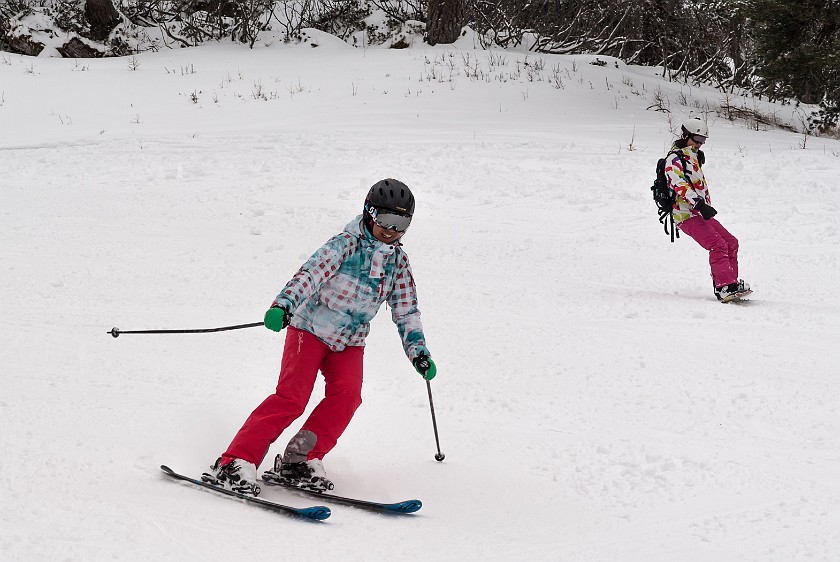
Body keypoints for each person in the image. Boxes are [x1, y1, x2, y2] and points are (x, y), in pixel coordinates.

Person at [201, 179, 436, 496]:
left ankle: (300, 459)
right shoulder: (344, 246)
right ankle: (236, 460)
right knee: (292, 398)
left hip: (350, 340)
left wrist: (418, 352)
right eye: (386, 220)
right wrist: (283, 305)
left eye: (401, 223)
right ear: (368, 213)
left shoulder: (398, 264)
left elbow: (406, 311)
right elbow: (309, 275)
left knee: (348, 397)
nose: (392, 231)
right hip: (309, 329)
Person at [665, 117, 751, 302]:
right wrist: (699, 204)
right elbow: (678, 183)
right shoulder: (674, 158)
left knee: (730, 242)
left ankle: (731, 282)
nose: (700, 144)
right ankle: (724, 287)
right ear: (686, 135)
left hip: (699, 212)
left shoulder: (692, 156)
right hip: (685, 214)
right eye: (697, 139)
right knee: (717, 245)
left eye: (703, 141)